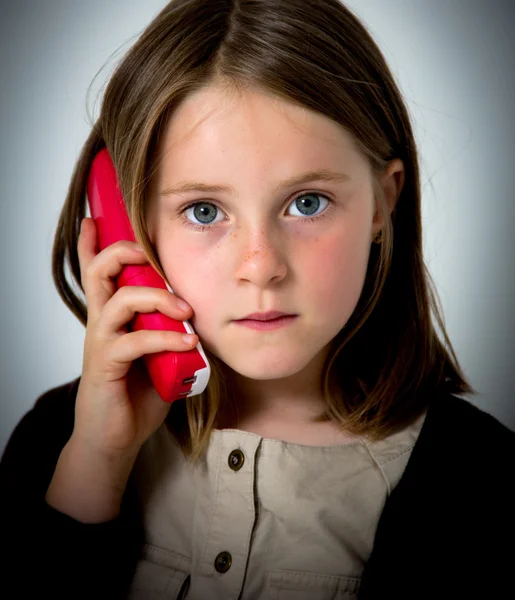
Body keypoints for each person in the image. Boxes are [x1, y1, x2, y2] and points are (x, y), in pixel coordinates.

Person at [1, 0, 514, 598]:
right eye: (203, 211)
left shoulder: (482, 479)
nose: (261, 267)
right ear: (130, 224)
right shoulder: (57, 445)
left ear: (382, 201)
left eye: (307, 203)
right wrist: (96, 464)